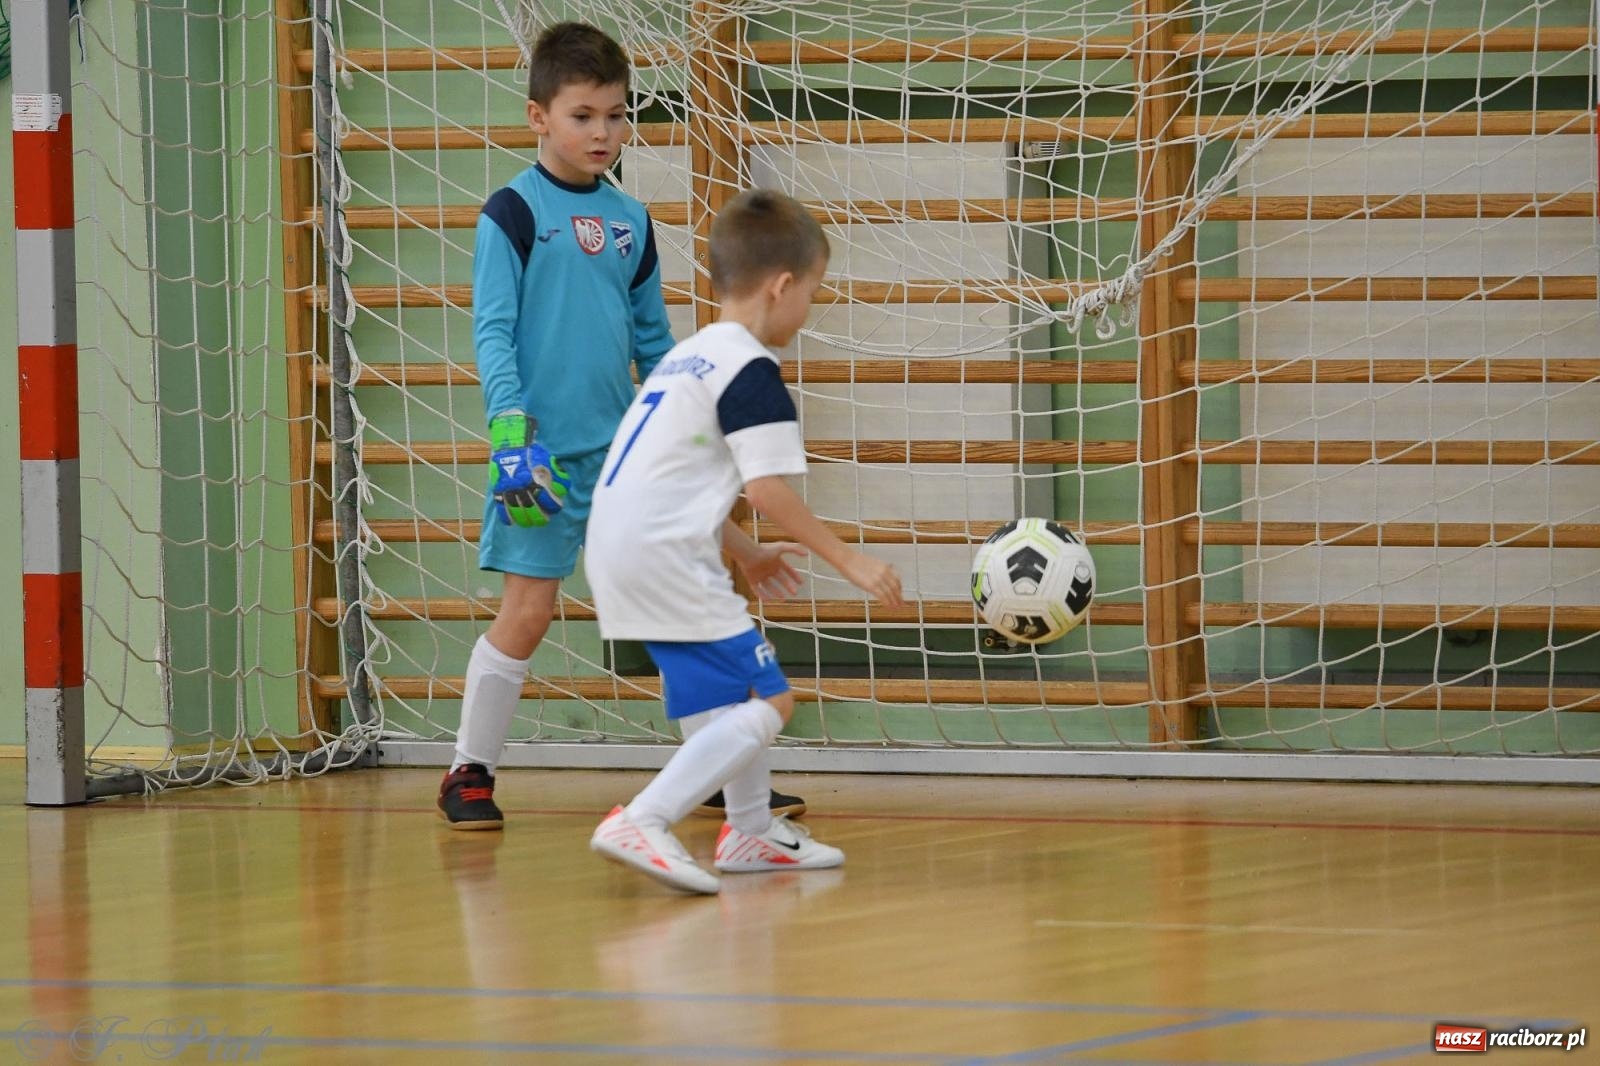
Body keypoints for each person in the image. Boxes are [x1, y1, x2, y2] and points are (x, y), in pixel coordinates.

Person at [438, 22, 806, 830]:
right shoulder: (510, 212)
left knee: (681, 605)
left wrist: (692, 427)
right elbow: (493, 330)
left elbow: (652, 344)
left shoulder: (633, 219)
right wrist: (509, 433)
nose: (602, 130)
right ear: (539, 117)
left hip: (622, 458)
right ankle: (468, 771)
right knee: (528, 611)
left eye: (616, 114)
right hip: (535, 456)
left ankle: (718, 771)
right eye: (582, 115)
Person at [584, 188, 904, 893]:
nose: (810, 309)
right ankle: (646, 817)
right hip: (664, 554)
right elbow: (766, 490)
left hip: (620, 541)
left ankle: (751, 831)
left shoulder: (689, 357)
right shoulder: (752, 372)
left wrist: (747, 552)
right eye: (814, 292)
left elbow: (668, 480)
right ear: (783, 286)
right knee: (770, 699)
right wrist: (847, 558)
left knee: (725, 699)